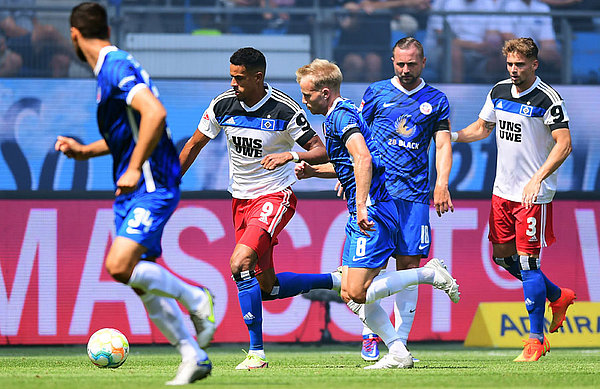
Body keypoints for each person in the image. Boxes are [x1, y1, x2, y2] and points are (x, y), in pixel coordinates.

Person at [54, 3, 215, 385]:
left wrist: (131, 167)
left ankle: (196, 298)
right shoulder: (107, 72)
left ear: (74, 34)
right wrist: (84, 151)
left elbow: (155, 115)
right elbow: (124, 136)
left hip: (151, 183)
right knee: (136, 279)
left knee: (117, 266)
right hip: (135, 188)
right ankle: (192, 355)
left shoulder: (115, 66)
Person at [178, 47, 339, 370]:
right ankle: (334, 281)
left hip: (275, 196)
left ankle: (256, 353)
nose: (233, 83)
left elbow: (320, 150)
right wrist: (167, 185)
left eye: (239, 78)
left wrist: (291, 155)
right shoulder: (222, 105)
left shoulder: (284, 109)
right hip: (240, 200)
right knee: (267, 288)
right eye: (231, 77)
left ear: (258, 77)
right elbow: (194, 144)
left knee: (240, 263)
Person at [294, 58, 459, 369]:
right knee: (349, 291)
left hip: (373, 208)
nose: (304, 101)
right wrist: (316, 172)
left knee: (356, 291)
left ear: (325, 92)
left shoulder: (341, 116)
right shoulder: (342, 113)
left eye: (307, 95)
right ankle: (397, 352)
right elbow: (353, 164)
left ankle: (430, 274)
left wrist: (359, 203)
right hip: (376, 203)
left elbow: (364, 159)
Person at [450, 37, 576, 361]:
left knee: (528, 262)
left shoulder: (548, 99)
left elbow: (564, 144)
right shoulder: (499, 91)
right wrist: (450, 136)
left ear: (535, 64)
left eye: (520, 65)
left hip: (533, 194)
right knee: (503, 258)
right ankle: (557, 295)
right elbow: (482, 127)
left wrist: (538, 179)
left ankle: (536, 340)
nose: (514, 70)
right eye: (510, 65)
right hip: (501, 191)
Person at [356, 36, 454, 362]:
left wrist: (442, 184)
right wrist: (350, 177)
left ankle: (399, 345)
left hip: (414, 197)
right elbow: (354, 138)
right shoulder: (376, 93)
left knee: (409, 266)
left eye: (412, 63)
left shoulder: (436, 100)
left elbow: (442, 145)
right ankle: (371, 332)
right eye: (400, 63)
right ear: (392, 61)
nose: (406, 69)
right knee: (370, 267)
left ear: (423, 62)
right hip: (379, 194)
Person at [0, 0, 72, 77]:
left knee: (62, 60)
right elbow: (10, 29)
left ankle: (56, 88)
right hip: (14, 42)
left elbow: (35, 22)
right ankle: (81, 58)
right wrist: (38, 36)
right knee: (49, 31)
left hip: (32, 43)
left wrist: (39, 36)